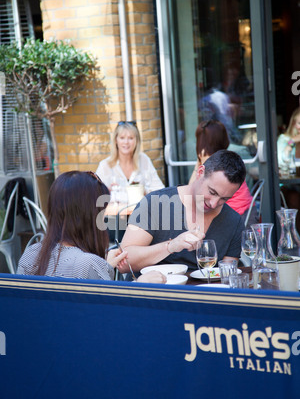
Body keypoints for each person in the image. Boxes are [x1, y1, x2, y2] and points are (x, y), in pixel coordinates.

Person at [17, 171, 166, 284]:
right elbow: (110, 315)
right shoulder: (89, 264)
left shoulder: (31, 253)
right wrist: (139, 285)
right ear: (89, 217)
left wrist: (104, 266)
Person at [120, 150, 246, 273]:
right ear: (200, 173)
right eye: (212, 192)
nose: (214, 203)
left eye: (224, 199)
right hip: (153, 291)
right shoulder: (155, 203)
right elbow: (123, 263)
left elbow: (227, 278)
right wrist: (170, 246)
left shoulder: (234, 222)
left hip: (203, 293)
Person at [189, 120, 256, 225]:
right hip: (247, 210)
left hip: (233, 216)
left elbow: (191, 195)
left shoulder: (209, 161)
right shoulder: (227, 159)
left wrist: (198, 163)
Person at [95, 121, 164, 203]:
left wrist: (144, 191)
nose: (126, 142)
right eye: (122, 138)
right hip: (114, 215)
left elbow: (161, 191)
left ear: (137, 141)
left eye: (131, 138)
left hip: (142, 214)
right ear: (116, 140)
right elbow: (94, 196)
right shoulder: (105, 165)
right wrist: (106, 191)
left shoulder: (144, 160)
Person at [277, 107, 300, 231]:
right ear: (293, 123)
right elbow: (281, 163)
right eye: (299, 123)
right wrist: (291, 143)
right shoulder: (284, 140)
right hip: (288, 185)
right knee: (294, 198)